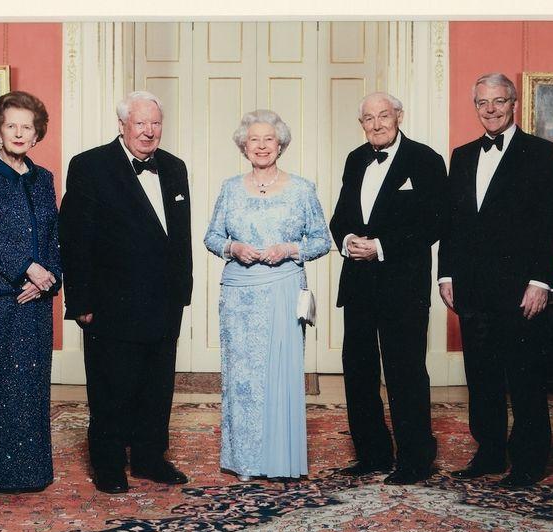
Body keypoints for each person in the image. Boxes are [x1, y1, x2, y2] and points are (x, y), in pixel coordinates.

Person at [59, 90, 193, 494]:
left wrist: (182, 289)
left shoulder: (174, 167)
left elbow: (179, 236)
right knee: (112, 386)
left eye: (155, 123)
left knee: (157, 386)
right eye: (140, 123)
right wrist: (80, 301)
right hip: (110, 302)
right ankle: (109, 464)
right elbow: (74, 237)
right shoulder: (89, 166)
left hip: (165, 299)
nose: (149, 131)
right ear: (122, 125)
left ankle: (150, 458)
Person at [438, 73, 553, 488]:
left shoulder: (542, 153)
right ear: (474, 106)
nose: (490, 109)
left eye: (498, 101)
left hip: (520, 289)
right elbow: (452, 224)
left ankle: (529, 461)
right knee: (482, 376)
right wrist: (446, 273)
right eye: (482, 103)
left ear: (513, 103)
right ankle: (490, 451)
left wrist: (542, 282)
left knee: (525, 376)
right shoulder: (461, 156)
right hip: (472, 289)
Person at [204, 110, 331, 482]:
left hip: (283, 289)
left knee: (280, 376)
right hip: (239, 296)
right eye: (254, 140)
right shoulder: (229, 188)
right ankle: (244, 461)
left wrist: (291, 249)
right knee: (242, 378)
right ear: (244, 146)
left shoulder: (303, 189)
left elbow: (322, 240)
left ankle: (280, 460)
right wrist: (232, 248)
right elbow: (211, 236)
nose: (261, 146)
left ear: (281, 145)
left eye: (268, 139)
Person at [329, 92, 445, 485]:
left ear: (399, 115)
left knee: (405, 372)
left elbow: (434, 222)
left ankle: (415, 459)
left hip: (402, 285)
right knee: (358, 370)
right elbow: (341, 215)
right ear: (360, 123)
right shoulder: (355, 159)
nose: (376, 124)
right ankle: (372, 453)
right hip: (358, 283)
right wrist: (346, 241)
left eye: (383, 116)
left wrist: (380, 247)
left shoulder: (425, 159)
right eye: (368, 118)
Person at [0, 91, 61, 492]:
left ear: (37, 134)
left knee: (31, 387)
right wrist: (28, 271)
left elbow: (54, 235)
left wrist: (47, 277)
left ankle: (30, 474)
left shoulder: (44, 178)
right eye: (11, 125)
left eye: (27, 126)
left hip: (37, 298)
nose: (19, 133)